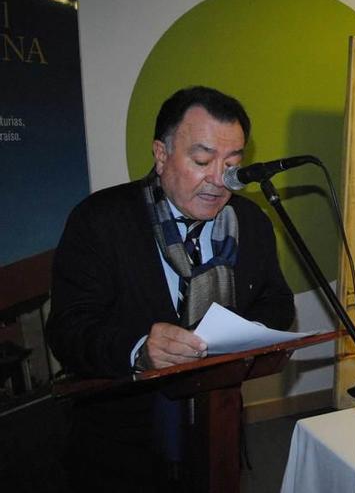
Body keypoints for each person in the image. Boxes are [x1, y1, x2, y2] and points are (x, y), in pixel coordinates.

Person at [46, 86, 295, 489]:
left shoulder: (250, 221)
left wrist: (240, 332)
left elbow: (276, 300)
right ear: (160, 155)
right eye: (202, 160)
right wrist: (139, 348)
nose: (219, 179)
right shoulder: (100, 219)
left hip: (218, 423)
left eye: (232, 163)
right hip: (120, 440)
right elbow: (68, 329)